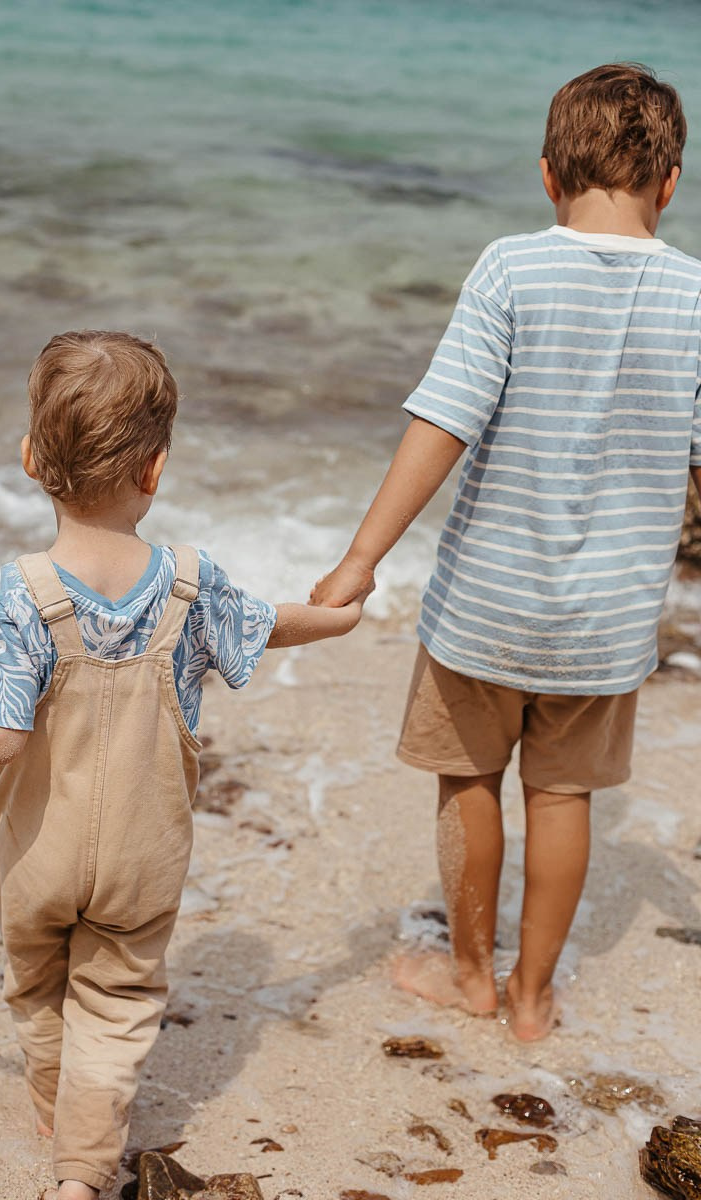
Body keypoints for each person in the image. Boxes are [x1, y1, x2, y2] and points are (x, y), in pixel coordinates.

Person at [0, 330, 367, 1200]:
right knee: (115, 1008)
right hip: (144, 856)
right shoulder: (189, 582)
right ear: (155, 471)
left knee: (36, 985)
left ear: (32, 457)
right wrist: (339, 615)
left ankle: (52, 1105)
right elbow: (267, 622)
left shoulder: (24, 591)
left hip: (36, 849)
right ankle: (82, 1172)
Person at [311, 63, 701, 1042]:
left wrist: (361, 559)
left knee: (467, 780)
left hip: (482, 604)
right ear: (668, 182)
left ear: (544, 175)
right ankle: (532, 999)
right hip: (607, 622)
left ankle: (469, 976)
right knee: (561, 793)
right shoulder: (696, 297)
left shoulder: (509, 268)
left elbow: (441, 420)